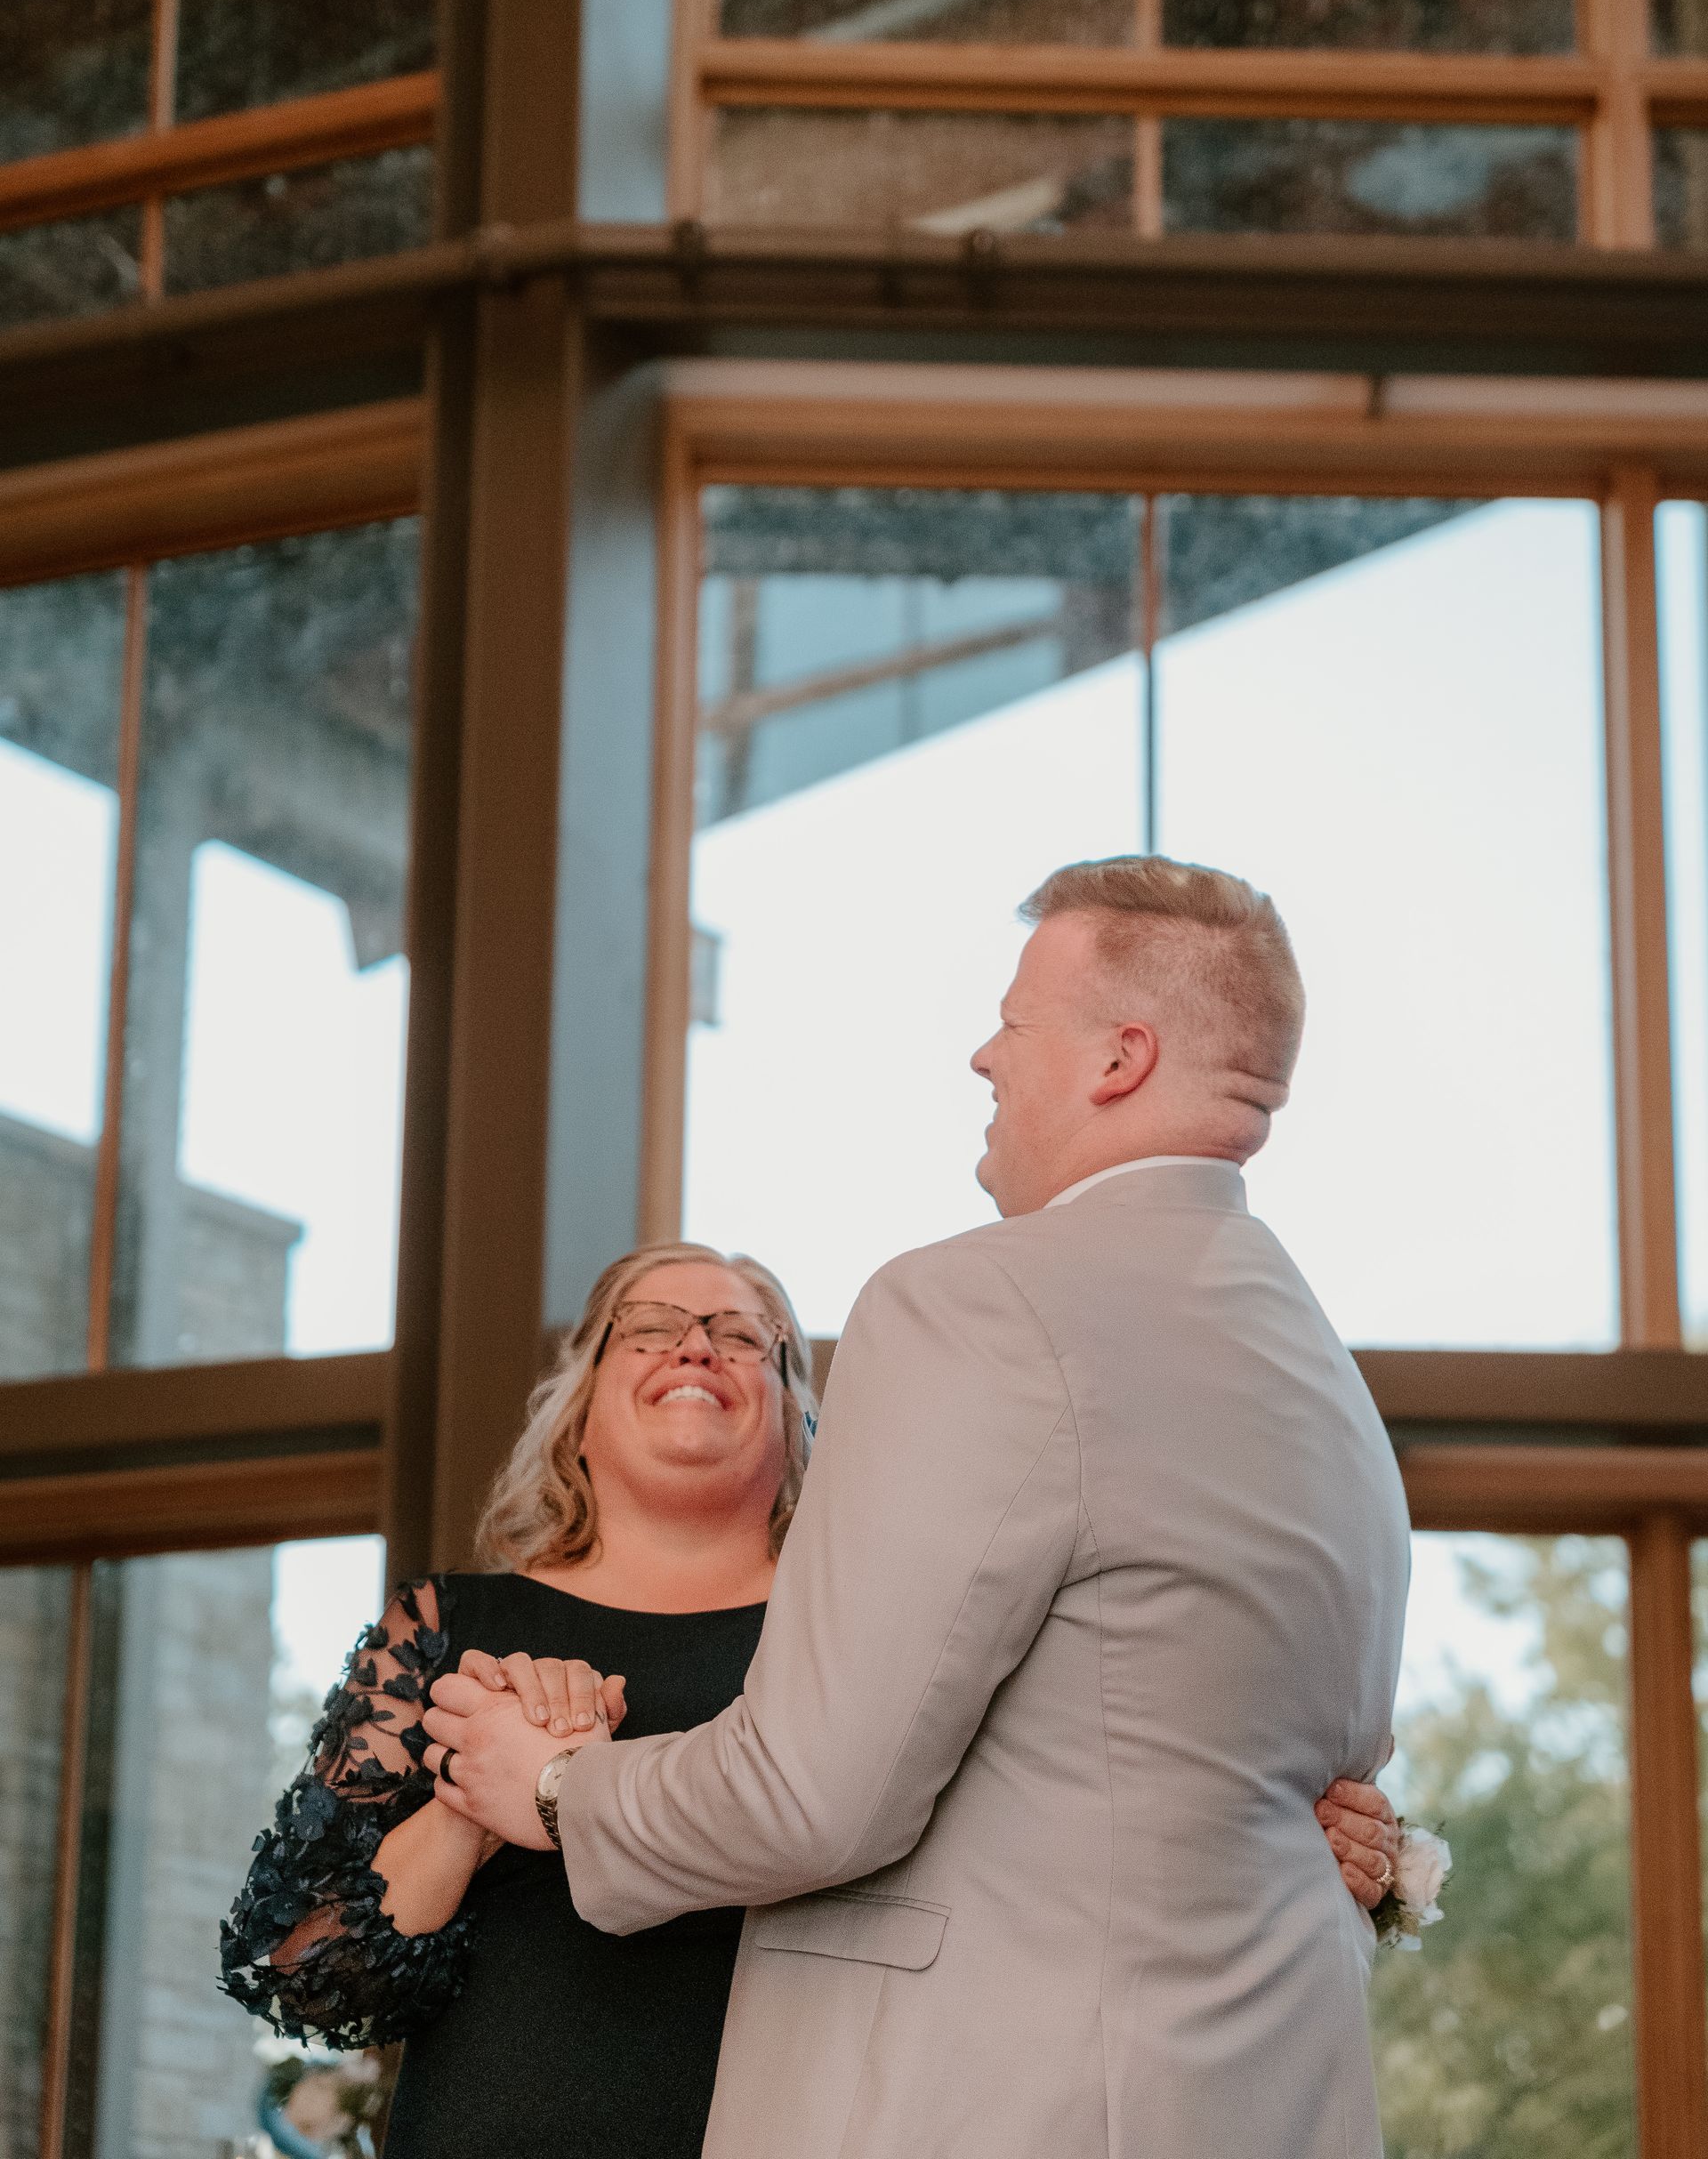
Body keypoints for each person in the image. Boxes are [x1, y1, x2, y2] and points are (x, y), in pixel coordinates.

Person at [423, 855, 1412, 2159]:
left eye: (1014, 1021)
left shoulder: (979, 1302)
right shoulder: (1323, 1381)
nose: (983, 1058)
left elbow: (815, 1795)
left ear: (1120, 1059)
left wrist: (549, 1784)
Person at [222, 1239, 1397, 2156]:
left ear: (797, 1415)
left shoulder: (887, 1636)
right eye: (653, 1327)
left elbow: (1086, 1823)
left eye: (746, 1336)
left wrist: (1289, 1849)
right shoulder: (449, 1633)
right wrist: (490, 1792)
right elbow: (304, 1964)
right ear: (577, 1406)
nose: (699, 1347)